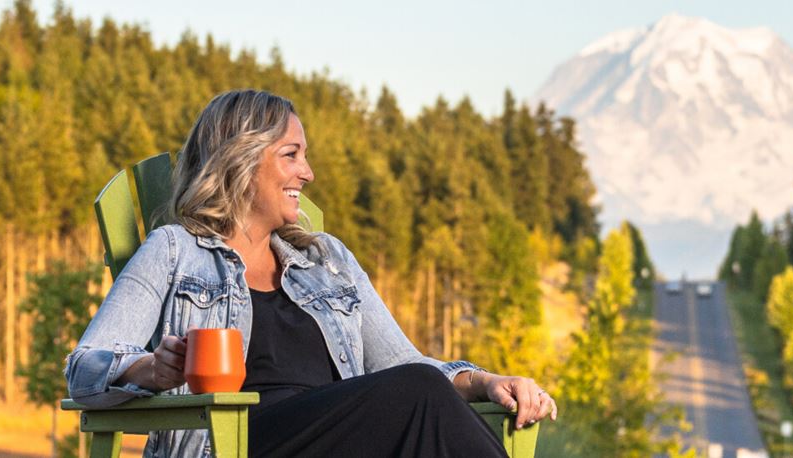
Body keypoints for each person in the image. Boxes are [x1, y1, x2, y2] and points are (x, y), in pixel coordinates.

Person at [66, 89, 555, 457]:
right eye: (291, 155)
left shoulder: (329, 260)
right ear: (240, 162)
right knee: (416, 394)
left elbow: (405, 365)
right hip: (234, 443)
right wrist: (152, 370)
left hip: (342, 439)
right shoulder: (174, 250)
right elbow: (83, 367)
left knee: (417, 392)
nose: (308, 173)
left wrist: (485, 381)